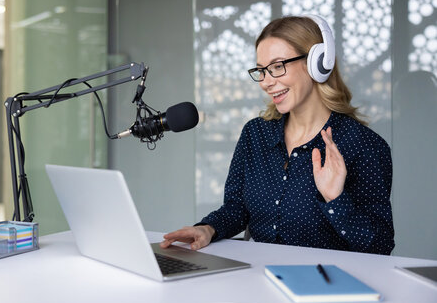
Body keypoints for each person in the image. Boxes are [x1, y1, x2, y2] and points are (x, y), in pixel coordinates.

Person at [160, 15, 395, 255]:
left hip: (326, 284)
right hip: (257, 279)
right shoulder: (255, 134)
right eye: (262, 70)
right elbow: (237, 208)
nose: (265, 82)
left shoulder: (364, 146)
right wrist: (208, 228)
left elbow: (380, 246)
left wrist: (335, 199)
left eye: (277, 66)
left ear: (317, 63)